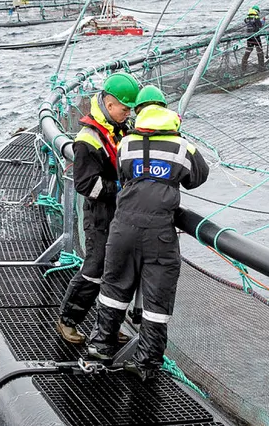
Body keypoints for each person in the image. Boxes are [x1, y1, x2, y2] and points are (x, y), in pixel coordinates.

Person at [87, 85, 210, 381]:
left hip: (123, 227)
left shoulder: (126, 143)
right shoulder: (182, 147)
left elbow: (124, 176)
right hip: (160, 233)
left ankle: (101, 346)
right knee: (157, 297)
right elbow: (198, 176)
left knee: (114, 287)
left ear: (139, 112)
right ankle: (146, 363)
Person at [56, 72, 140, 344]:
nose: (127, 114)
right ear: (109, 103)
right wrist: (122, 189)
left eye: (130, 109)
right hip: (100, 217)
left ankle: (109, 327)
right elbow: (85, 184)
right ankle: (68, 320)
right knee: (94, 269)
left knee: (117, 272)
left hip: (121, 215)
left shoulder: (122, 129)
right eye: (124, 108)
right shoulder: (88, 139)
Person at [241, 5, 265, 74]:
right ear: (257, 11)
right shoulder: (256, 17)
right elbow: (260, 25)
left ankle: (243, 69)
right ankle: (261, 67)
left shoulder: (247, 18)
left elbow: (247, 22)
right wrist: (263, 21)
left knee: (247, 52)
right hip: (256, 37)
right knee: (260, 52)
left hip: (249, 38)